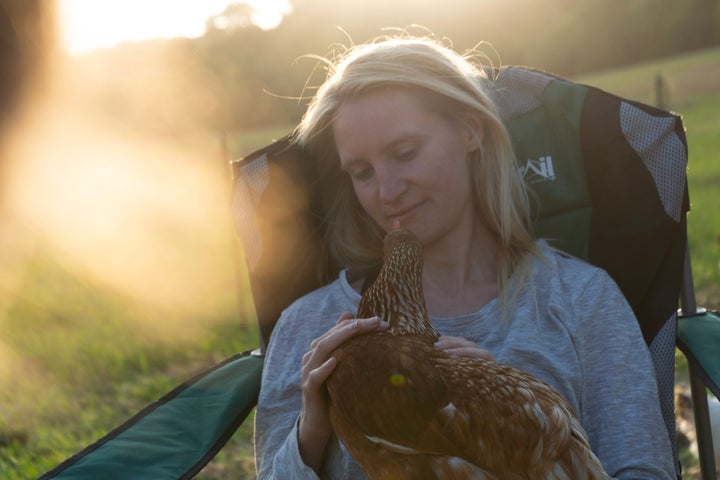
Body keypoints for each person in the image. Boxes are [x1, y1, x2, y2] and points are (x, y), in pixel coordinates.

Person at [253, 35, 675, 479]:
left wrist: (511, 408)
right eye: (362, 172)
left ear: (471, 131)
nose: (387, 191)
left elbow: (643, 469)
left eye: (405, 153)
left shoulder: (579, 300)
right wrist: (313, 428)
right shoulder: (310, 327)